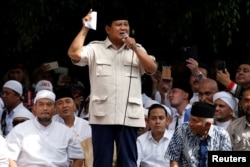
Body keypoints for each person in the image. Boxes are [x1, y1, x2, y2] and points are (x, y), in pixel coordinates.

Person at [67, 6, 157, 167]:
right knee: (101, 162)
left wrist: (135, 47)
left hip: (128, 115)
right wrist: (85, 27)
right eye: (118, 24)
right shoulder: (96, 48)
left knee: (128, 161)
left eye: (126, 24)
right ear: (108, 29)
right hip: (102, 116)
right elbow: (74, 53)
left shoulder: (137, 49)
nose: (123, 28)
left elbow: (152, 68)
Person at [6, 90, 84, 166]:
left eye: (49, 104)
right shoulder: (19, 130)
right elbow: (9, 157)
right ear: (34, 108)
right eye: (41, 104)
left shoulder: (66, 132)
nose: (45, 108)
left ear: (54, 109)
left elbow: (78, 157)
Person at [165, 102, 232, 167]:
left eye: (195, 121)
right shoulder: (182, 129)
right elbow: (173, 159)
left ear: (207, 125)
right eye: (190, 119)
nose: (190, 123)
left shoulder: (222, 135)